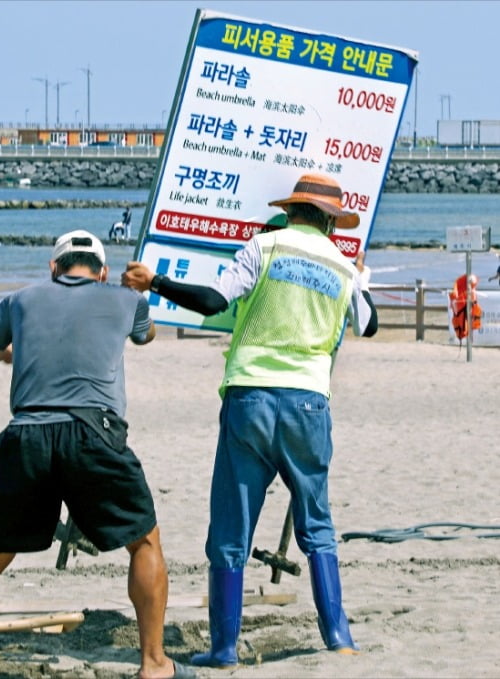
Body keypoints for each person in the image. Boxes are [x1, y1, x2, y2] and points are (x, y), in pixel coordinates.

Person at [122, 173, 379, 667]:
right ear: (329, 221)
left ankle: (223, 648)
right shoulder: (342, 265)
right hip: (309, 404)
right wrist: (359, 279)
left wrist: (155, 281)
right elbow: (368, 324)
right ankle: (339, 637)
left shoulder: (264, 248)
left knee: (231, 528)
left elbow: (215, 300)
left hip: (251, 398)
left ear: (291, 212)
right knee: (317, 524)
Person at [0, 229, 195, 679]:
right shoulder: (126, 299)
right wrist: (134, 294)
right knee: (144, 542)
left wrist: (3, 356)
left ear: (53, 267)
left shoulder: (21, 300)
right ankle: (153, 664)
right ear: (103, 271)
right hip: (95, 433)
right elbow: (146, 336)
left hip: (26, 435)